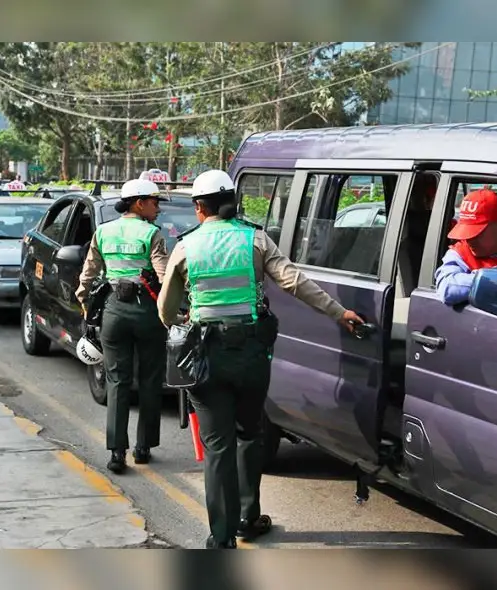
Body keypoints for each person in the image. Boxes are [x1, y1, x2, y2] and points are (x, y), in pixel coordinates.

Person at [157, 169, 365, 549]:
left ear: (201, 207)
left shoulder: (187, 247)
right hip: (251, 355)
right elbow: (296, 282)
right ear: (233, 203)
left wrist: (183, 319)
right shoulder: (255, 239)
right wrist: (339, 313)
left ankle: (221, 537)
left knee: (217, 444)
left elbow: (166, 309)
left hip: (206, 357)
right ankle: (247, 519)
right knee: (250, 434)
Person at [76, 178, 171, 474]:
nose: (157, 208)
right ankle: (143, 448)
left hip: (113, 312)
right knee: (150, 379)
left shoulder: (103, 231)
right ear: (139, 203)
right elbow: (164, 276)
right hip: (146, 313)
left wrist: (83, 300)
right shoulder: (152, 233)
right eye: (155, 202)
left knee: (117, 380)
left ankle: (117, 452)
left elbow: (89, 272)